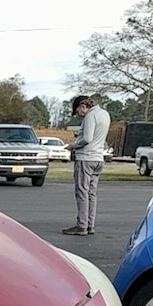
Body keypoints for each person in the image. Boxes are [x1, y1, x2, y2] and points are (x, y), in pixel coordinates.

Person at [62, 95, 111, 236]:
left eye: (78, 110)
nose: (78, 114)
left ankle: (81, 225)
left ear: (83, 106)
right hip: (98, 158)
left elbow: (87, 138)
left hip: (86, 158)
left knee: (82, 192)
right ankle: (90, 224)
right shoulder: (105, 114)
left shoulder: (90, 116)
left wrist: (74, 145)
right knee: (91, 193)